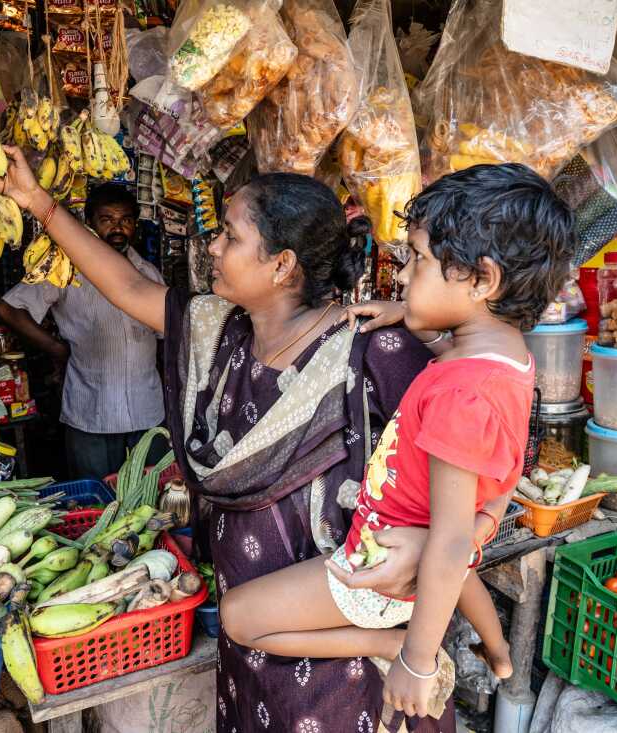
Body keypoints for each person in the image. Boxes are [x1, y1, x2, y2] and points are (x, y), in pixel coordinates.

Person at [0, 150, 507, 732]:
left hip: (351, 651)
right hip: (250, 637)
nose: (212, 247)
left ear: (282, 264)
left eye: (230, 237)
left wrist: (452, 534)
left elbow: (491, 448)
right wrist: (39, 204)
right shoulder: (219, 331)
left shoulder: (373, 348)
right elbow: (128, 285)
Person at [219, 163, 575, 721]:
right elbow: (462, 542)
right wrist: (412, 319)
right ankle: (501, 654)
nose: (403, 277)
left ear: (482, 280)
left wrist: (416, 657)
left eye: (419, 259)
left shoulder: (463, 396)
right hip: (438, 542)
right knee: (461, 565)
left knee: (240, 616)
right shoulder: (503, 357)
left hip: (381, 563)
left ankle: (382, 642)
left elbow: (450, 547)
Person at [0, 183, 168, 480]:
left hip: (147, 413)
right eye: (107, 219)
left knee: (153, 501)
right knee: (98, 505)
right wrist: (56, 349)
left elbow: (166, 340)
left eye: (125, 220)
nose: (118, 228)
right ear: (89, 223)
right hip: (92, 414)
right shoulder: (66, 269)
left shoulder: (149, 274)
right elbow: (9, 309)